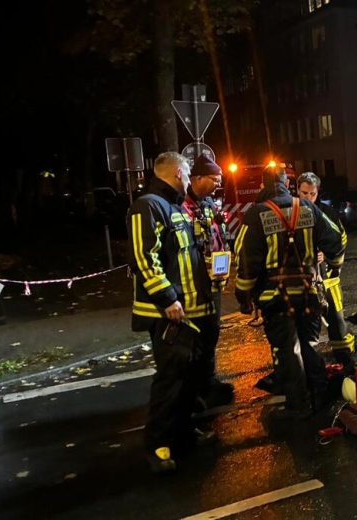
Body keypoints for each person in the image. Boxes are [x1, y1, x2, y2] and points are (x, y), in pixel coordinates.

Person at [127, 152, 219, 474]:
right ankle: (158, 446)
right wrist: (167, 299)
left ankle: (182, 434)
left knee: (190, 380)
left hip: (191, 313)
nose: (189, 176)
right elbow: (143, 258)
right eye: (188, 172)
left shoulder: (176, 206)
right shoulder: (148, 206)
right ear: (179, 172)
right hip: (169, 315)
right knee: (170, 382)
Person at [234, 167, 346, 419]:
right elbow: (335, 241)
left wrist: (244, 298)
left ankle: (297, 406)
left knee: (287, 349)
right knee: (309, 344)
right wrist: (334, 268)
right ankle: (319, 395)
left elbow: (246, 260)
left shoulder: (257, 214)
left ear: (263, 184)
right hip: (308, 294)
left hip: (276, 298)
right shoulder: (307, 208)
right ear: (287, 183)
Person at [184, 154, 235, 408]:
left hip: (213, 282)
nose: (218, 183)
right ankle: (196, 390)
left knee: (212, 333)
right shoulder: (182, 207)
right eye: (215, 179)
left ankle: (209, 382)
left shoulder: (209, 204)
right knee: (197, 339)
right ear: (198, 178)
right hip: (194, 286)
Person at [296, 172, 357, 375]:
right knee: (305, 327)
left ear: (317, 192)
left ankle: (346, 361)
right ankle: (308, 368)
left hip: (328, 278)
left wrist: (330, 261)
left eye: (312, 194)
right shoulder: (292, 213)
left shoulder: (326, 212)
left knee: (337, 322)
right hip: (303, 280)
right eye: (304, 193)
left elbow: (341, 240)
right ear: (297, 190)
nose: (308, 198)